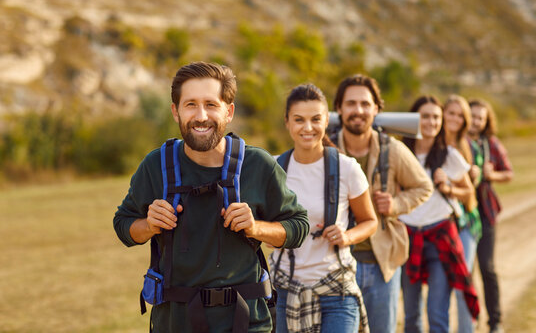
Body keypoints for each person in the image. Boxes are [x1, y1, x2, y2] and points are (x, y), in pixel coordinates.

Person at [113, 62, 310, 332]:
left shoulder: (257, 164)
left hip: (247, 322)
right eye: (190, 104)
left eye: (211, 104)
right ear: (176, 111)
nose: (201, 116)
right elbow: (123, 225)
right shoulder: (155, 165)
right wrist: (148, 226)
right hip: (173, 324)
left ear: (228, 112)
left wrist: (256, 228)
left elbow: (298, 227)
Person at [270, 83, 378, 333]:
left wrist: (347, 236)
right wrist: (272, 235)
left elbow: (370, 221)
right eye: (299, 120)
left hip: (337, 290)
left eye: (316, 119)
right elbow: (263, 227)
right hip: (286, 289)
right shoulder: (273, 168)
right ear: (287, 122)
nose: (308, 128)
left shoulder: (347, 168)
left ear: (327, 120)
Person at [330, 74, 432, 333]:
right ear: (339, 108)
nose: (358, 111)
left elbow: (423, 186)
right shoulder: (324, 150)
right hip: (334, 265)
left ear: (376, 108)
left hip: (382, 265)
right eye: (351, 103)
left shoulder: (392, 150)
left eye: (365, 104)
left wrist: (396, 204)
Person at [400, 95, 479, 333]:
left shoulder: (449, 154)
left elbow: (470, 196)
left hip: (439, 236)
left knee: (437, 313)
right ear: (414, 119)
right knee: (411, 315)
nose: (431, 122)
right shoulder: (399, 153)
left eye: (436, 117)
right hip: (407, 237)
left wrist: (449, 188)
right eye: (425, 116)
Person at [468, 98, 513, 333]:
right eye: (472, 115)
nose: (475, 121)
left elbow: (509, 173)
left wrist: (492, 175)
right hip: (461, 214)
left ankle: (495, 322)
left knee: (487, 267)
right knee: (465, 270)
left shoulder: (491, 144)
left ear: (486, 121)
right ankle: (469, 320)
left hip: (484, 212)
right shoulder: (455, 142)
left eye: (480, 118)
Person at [443, 95, 481, 333]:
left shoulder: (470, 148)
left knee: (462, 282)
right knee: (441, 287)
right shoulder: (431, 145)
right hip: (439, 225)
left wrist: (450, 188)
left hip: (465, 223)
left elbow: (470, 196)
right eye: (451, 113)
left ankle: (467, 328)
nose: (455, 119)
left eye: (460, 115)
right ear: (443, 114)